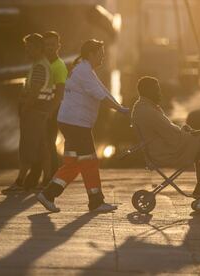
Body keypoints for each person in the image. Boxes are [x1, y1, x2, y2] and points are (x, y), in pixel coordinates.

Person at [37, 39, 129, 213]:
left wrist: (120, 107)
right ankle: (96, 202)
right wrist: (120, 109)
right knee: (90, 162)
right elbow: (100, 96)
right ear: (91, 54)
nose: (103, 57)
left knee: (73, 163)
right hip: (77, 124)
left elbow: (104, 91)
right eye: (100, 54)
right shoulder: (84, 71)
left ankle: (48, 195)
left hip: (70, 122)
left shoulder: (84, 69)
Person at [131, 77, 200, 209]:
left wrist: (188, 132)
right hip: (166, 151)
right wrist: (189, 133)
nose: (160, 93)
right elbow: (173, 136)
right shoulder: (148, 111)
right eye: (157, 90)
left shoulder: (142, 107)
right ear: (148, 91)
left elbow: (168, 131)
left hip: (161, 148)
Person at [2, 33, 53, 194]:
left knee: (27, 147)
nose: (27, 51)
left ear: (38, 48)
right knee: (41, 146)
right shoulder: (43, 64)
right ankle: (47, 180)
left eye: (29, 48)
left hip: (34, 111)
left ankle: (20, 181)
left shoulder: (39, 66)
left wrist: (25, 108)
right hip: (41, 110)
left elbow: (35, 90)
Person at [23, 31, 68, 190]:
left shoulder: (59, 66)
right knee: (41, 144)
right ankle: (35, 178)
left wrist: (50, 112)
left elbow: (59, 93)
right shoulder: (44, 64)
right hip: (45, 110)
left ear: (58, 46)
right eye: (47, 45)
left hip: (52, 110)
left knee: (48, 144)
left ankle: (50, 179)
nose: (49, 48)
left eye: (53, 45)